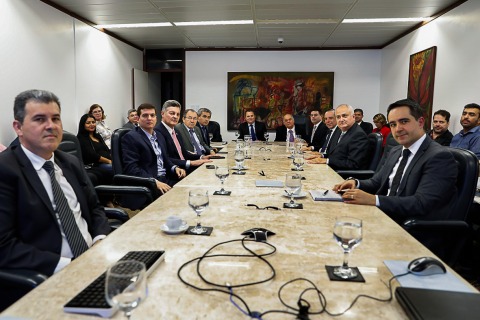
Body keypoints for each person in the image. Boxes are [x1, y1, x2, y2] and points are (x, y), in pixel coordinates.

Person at [0, 89, 110, 276]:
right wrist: (68, 265)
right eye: (40, 119)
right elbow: (4, 245)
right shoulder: (5, 170)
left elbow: (94, 208)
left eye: (56, 118)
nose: (51, 126)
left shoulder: (70, 162)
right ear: (18, 127)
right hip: (50, 274)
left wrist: (100, 239)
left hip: (95, 260)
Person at [333, 98, 458, 224]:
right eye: (392, 124)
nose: (397, 129)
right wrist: (356, 182)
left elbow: (421, 204)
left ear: (420, 122)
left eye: (404, 121)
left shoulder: (439, 156)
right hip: (382, 216)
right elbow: (376, 182)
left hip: (407, 227)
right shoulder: (396, 151)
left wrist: (374, 199)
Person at [122, 103, 186, 193]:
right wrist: (153, 181)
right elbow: (132, 168)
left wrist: (174, 168)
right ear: (138, 119)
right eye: (145, 115)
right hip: (149, 183)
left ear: (156, 118)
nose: (149, 118)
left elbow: (165, 159)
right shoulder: (131, 137)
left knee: (191, 187)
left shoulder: (159, 135)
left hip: (165, 178)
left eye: (152, 115)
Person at [306, 104, 369, 170]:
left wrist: (327, 160)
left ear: (353, 117)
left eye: (344, 116)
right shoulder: (339, 131)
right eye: (338, 117)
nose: (341, 119)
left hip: (343, 175)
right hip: (332, 169)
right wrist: (321, 156)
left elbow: (353, 164)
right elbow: (336, 155)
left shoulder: (358, 135)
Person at [154, 101, 211, 171]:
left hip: (184, 166)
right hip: (175, 171)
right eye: (172, 113)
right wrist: (191, 163)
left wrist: (201, 157)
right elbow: (165, 158)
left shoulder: (176, 131)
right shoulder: (157, 132)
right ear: (162, 113)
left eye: (178, 114)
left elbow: (183, 153)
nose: (175, 116)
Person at [76, 114, 113, 185]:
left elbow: (106, 149)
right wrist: (109, 161)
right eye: (88, 123)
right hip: (95, 164)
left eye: (93, 122)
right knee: (115, 168)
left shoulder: (97, 136)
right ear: (83, 124)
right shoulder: (81, 138)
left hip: (107, 161)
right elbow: (93, 156)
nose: (91, 124)